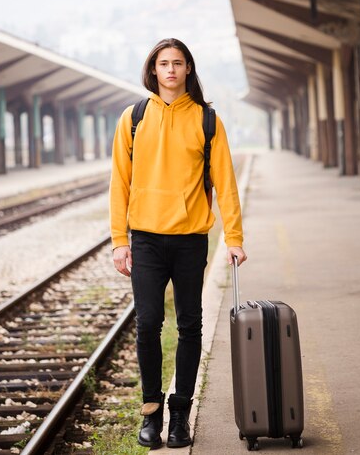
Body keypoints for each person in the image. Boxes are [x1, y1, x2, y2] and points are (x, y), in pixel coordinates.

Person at [109, 38, 247, 449]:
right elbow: (119, 182)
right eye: (163, 63)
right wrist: (120, 240)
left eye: (178, 63)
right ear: (153, 70)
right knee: (148, 323)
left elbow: (226, 182)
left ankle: (180, 416)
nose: (170, 70)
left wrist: (234, 238)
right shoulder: (133, 118)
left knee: (190, 326)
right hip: (147, 241)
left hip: (190, 241)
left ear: (188, 70)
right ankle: (152, 412)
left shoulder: (207, 120)